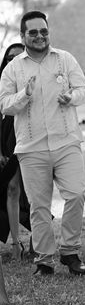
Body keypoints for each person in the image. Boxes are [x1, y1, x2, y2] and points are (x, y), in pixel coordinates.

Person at [0, 11, 85, 276]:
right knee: (39, 206)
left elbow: (83, 90)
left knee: (76, 194)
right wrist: (24, 95)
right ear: (23, 36)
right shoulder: (13, 68)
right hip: (31, 147)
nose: (40, 36)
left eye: (44, 31)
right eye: (33, 32)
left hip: (67, 142)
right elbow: (4, 104)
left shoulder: (65, 59)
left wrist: (71, 97)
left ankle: (70, 251)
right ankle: (44, 259)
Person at [0, 43, 31, 261]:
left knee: (35, 191)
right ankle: (15, 244)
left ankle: (37, 242)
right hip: (8, 136)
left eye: (19, 57)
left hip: (32, 134)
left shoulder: (37, 79)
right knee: (12, 188)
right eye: (9, 58)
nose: (13, 61)